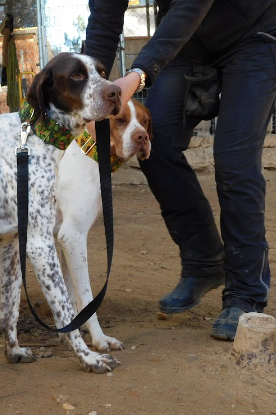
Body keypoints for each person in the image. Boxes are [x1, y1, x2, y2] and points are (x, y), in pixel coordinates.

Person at [84, 0, 276, 340]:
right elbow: (104, 21)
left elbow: (191, 5)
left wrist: (137, 75)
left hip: (255, 32)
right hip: (188, 44)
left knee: (234, 161)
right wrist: (86, 90)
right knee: (153, 146)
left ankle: (245, 293)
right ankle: (204, 261)